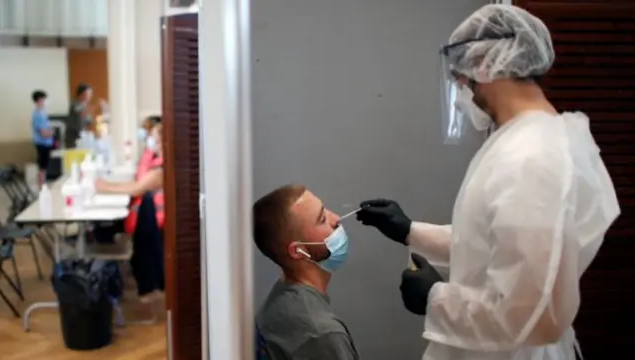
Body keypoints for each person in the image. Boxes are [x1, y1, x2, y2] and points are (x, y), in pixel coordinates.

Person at [357, 4, 620, 360]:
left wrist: (436, 297)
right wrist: (410, 230)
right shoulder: (525, 139)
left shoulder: (531, 157)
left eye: (460, 75)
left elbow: (533, 311)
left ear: (484, 63)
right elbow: (501, 243)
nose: (461, 87)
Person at [254, 185, 360, 360]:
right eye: (322, 219)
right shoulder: (319, 334)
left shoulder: (282, 301)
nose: (337, 219)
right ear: (298, 251)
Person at [96, 123, 164, 305]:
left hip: (150, 223)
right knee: (101, 228)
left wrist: (104, 187)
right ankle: (105, 276)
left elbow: (136, 189)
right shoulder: (156, 161)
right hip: (144, 218)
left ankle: (104, 279)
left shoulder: (162, 169)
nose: (152, 143)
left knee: (103, 228)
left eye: (156, 139)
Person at [31, 90, 53, 187]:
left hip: (47, 143)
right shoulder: (37, 114)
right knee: (42, 166)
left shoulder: (43, 112)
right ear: (39, 100)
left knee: (44, 165)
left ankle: (42, 184)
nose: (45, 101)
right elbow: (42, 132)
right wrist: (51, 133)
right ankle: (41, 185)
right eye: (44, 99)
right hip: (42, 143)